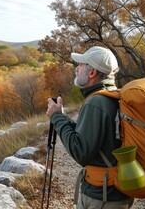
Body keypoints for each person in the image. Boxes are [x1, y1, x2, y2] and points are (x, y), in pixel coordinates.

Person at [46, 46, 133, 209]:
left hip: (102, 197)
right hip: (115, 193)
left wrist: (56, 117)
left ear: (92, 72)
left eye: (80, 65)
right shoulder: (114, 95)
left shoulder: (96, 102)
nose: (76, 69)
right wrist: (63, 117)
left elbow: (81, 152)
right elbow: (90, 138)